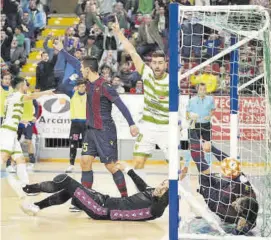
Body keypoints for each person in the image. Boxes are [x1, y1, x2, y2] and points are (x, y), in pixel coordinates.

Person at [54, 40, 139, 200]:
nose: (80, 70)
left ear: (87, 70)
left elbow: (121, 106)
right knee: (85, 162)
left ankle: (126, 199)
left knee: (111, 166)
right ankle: (86, 199)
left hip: (105, 131)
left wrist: (131, 124)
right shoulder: (86, 82)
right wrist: (62, 51)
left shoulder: (106, 87)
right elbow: (75, 62)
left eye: (82, 68)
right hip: (90, 131)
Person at [112, 17, 170, 181]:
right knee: (137, 162)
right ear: (151, 64)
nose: (157, 65)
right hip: (148, 127)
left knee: (176, 167)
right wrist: (119, 34)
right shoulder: (146, 72)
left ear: (165, 64)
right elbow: (132, 51)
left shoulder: (171, 81)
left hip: (167, 127)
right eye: (155, 63)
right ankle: (141, 196)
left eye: (160, 63)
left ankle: (181, 196)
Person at [20, 162, 169, 222]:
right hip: (102, 200)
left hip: (100, 209)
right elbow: (141, 184)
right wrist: (128, 169)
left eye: (164, 188)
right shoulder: (151, 192)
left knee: (65, 180)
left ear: (165, 197)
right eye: (162, 182)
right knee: (70, 190)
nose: (160, 186)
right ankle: (37, 206)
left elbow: (158, 208)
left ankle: (31, 189)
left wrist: (166, 195)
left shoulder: (156, 208)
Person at [181, 132, 259, 235]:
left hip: (214, 200)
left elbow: (236, 233)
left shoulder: (229, 215)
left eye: (236, 206)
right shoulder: (247, 189)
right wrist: (212, 149)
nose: (234, 203)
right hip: (225, 187)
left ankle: (192, 133)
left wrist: (239, 229)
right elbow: (231, 165)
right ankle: (197, 135)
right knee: (232, 170)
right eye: (238, 201)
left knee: (203, 167)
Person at [0, 77, 54, 199]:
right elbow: (32, 96)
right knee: (2, 159)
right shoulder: (17, 95)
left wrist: (21, 120)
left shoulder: (11, 96)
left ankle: (26, 187)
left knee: (20, 160)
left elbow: (10, 114)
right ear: (21, 86)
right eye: (25, 84)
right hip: (8, 132)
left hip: (11, 131)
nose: (27, 86)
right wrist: (45, 92)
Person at [186, 83, 216, 165]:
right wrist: (191, 117)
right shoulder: (191, 100)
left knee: (208, 147)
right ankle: (186, 165)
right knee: (192, 146)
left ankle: (209, 166)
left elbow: (213, 110)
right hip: (195, 125)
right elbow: (187, 113)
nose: (203, 91)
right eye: (201, 89)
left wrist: (209, 115)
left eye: (204, 89)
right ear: (197, 90)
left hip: (206, 125)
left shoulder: (210, 99)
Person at [64, 79, 87, 173]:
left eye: (84, 86)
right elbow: (64, 85)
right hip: (75, 125)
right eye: (80, 86)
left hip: (86, 124)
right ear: (77, 87)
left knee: (86, 145)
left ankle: (86, 164)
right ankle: (71, 165)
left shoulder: (89, 95)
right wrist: (71, 78)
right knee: (73, 143)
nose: (82, 88)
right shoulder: (72, 93)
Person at [17, 82, 39, 171]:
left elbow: (37, 106)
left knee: (29, 141)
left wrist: (35, 116)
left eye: (25, 85)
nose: (24, 87)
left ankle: (31, 162)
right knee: (15, 142)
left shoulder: (30, 96)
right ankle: (12, 163)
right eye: (22, 85)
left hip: (28, 122)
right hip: (18, 121)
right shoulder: (16, 96)